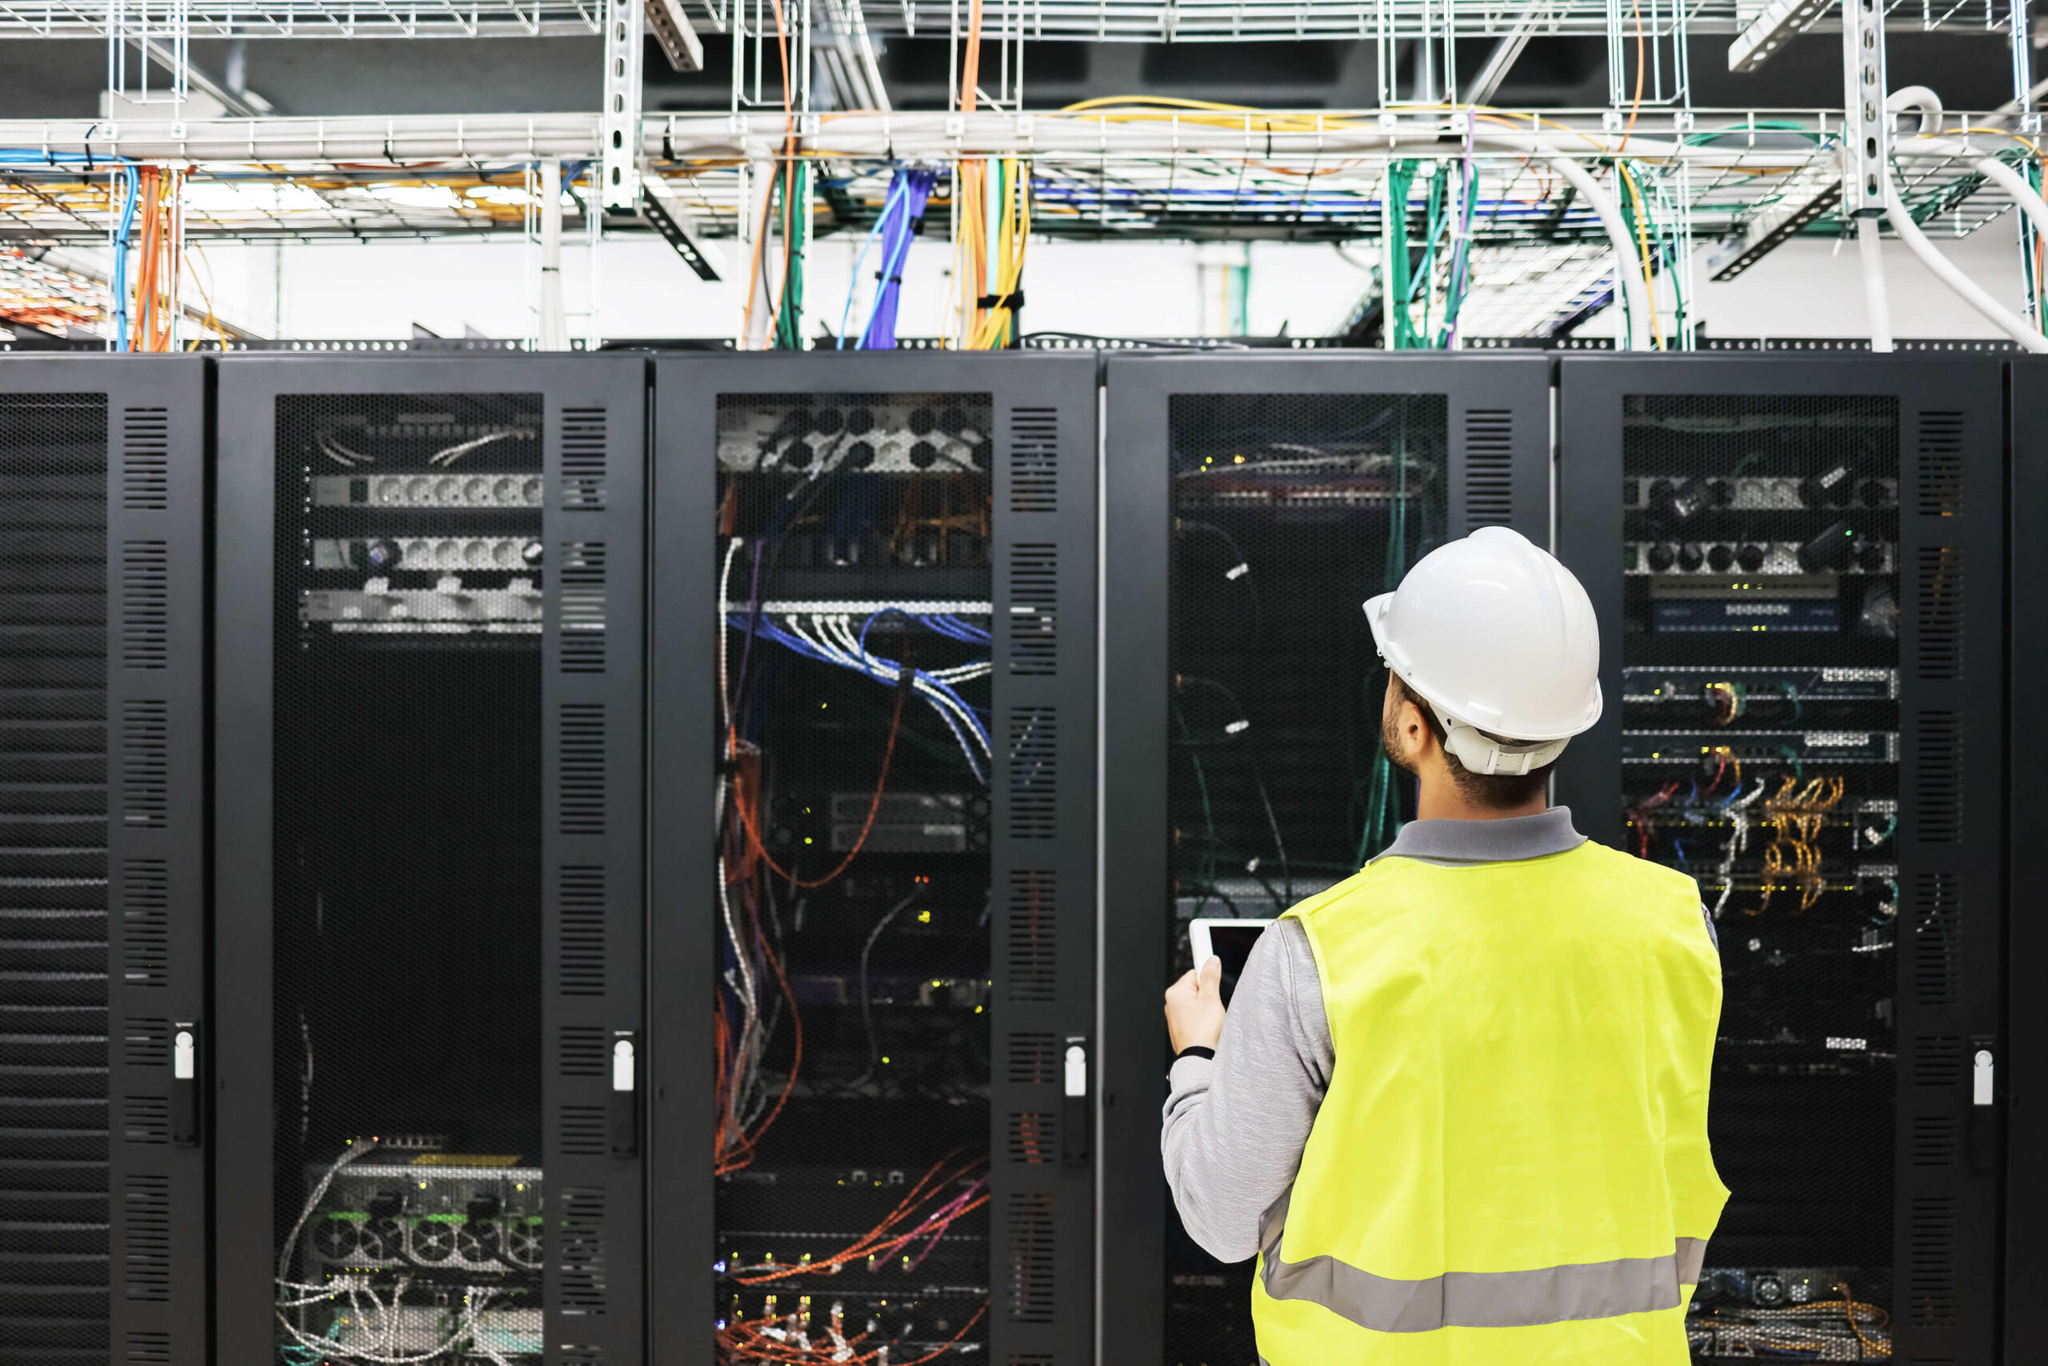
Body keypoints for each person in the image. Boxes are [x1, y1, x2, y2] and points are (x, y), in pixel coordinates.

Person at [1161, 526, 1726, 1366]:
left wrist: (1199, 1057)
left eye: (1396, 677)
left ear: (1418, 729)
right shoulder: (1677, 921)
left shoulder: (1322, 951)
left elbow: (1220, 1218)